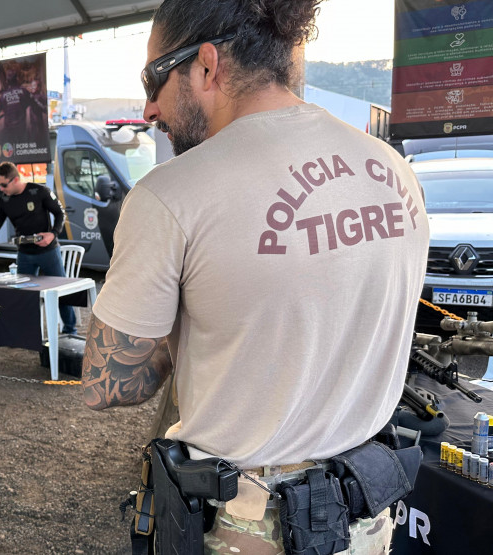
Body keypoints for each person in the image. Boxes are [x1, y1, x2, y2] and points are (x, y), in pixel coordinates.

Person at [82, 1, 430, 553]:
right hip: (366, 517)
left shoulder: (171, 193)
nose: (149, 107)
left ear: (206, 65)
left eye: (153, 79)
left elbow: (107, 383)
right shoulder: (392, 171)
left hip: (251, 525)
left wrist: (189, 327)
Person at [0, 162, 77, 335]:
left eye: (4, 184)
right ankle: (25, 332)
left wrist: (53, 234)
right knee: (22, 295)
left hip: (48, 252)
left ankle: (70, 330)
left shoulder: (39, 192)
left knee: (60, 292)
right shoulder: (3, 199)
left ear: (15, 179)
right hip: (24, 253)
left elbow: (60, 214)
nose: (0, 188)